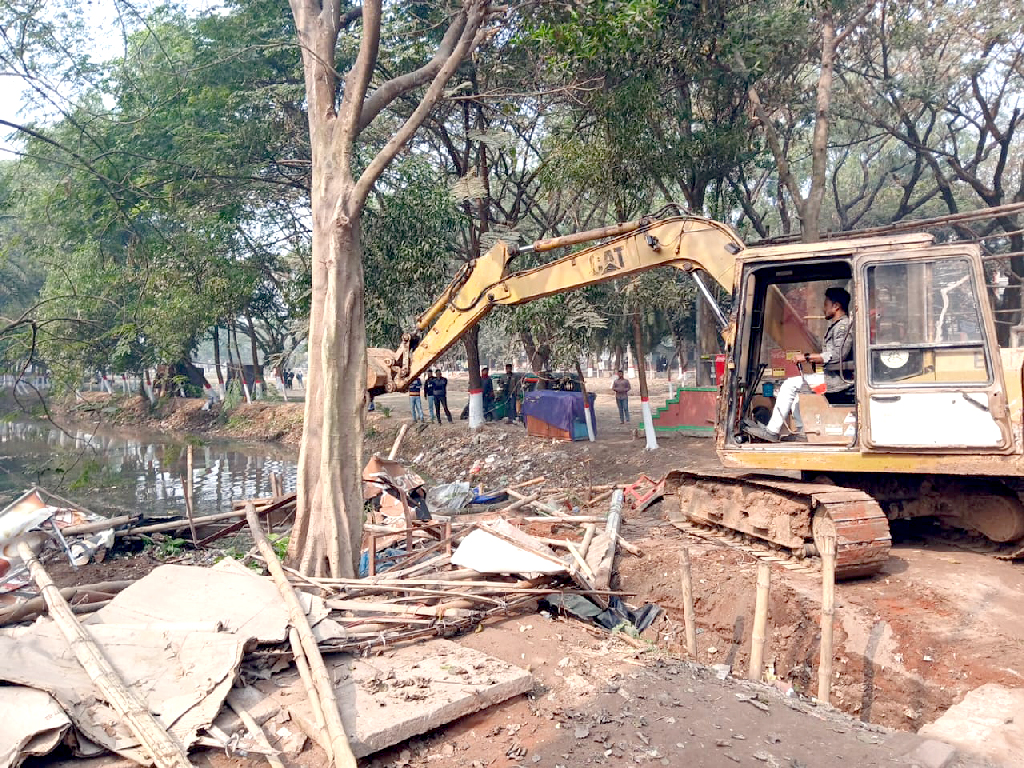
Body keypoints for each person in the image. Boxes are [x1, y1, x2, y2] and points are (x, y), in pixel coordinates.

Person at [746, 287, 855, 443]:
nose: (823, 308)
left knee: (790, 384)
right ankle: (803, 431)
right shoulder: (836, 326)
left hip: (838, 380)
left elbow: (838, 355)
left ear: (836, 306)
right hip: (830, 376)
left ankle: (772, 431)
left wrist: (806, 357)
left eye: (826, 304)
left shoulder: (843, 327)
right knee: (797, 391)